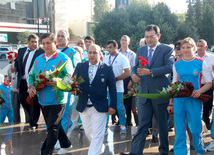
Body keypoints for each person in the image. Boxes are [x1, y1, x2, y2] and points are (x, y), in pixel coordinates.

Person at [121, 24, 174, 155]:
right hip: (144, 94)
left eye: (152, 37)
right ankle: (134, 152)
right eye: (146, 37)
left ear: (159, 36)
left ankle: (163, 152)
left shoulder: (166, 49)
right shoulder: (141, 50)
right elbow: (135, 67)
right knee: (142, 125)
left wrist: (150, 71)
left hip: (160, 94)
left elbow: (169, 67)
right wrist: (133, 74)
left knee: (162, 126)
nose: (149, 40)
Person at [28, 33, 73, 155]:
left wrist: (56, 81)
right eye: (43, 43)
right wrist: (31, 87)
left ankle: (45, 152)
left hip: (58, 100)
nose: (46, 46)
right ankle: (66, 144)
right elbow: (31, 75)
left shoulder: (64, 59)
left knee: (52, 128)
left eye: (48, 43)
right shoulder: (38, 59)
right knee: (54, 125)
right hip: (42, 100)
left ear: (55, 43)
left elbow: (70, 79)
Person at [167, 37, 212, 155]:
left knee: (196, 129)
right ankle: (180, 152)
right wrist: (171, 103)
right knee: (180, 129)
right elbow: (174, 84)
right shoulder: (176, 64)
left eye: (188, 47)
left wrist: (199, 91)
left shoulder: (201, 63)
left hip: (195, 100)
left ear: (194, 48)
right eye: (183, 48)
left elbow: (209, 83)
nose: (186, 50)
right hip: (179, 101)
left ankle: (200, 150)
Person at [72, 44, 117, 155]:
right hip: (83, 106)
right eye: (90, 52)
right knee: (88, 133)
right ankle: (99, 146)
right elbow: (72, 83)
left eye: (95, 52)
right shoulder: (80, 66)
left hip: (99, 106)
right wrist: (72, 90)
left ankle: (94, 152)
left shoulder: (107, 68)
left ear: (100, 54)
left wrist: (113, 105)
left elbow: (112, 89)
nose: (92, 55)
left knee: (97, 134)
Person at [55, 30, 81, 153]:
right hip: (52, 90)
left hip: (66, 89)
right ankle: (58, 136)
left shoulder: (73, 53)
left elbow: (76, 71)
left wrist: (63, 83)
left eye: (62, 36)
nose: (60, 38)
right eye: (58, 36)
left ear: (68, 39)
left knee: (64, 114)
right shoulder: (52, 52)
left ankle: (63, 142)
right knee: (55, 116)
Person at [14, 34, 44, 129]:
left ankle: (33, 123)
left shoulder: (41, 52)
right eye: (33, 42)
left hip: (34, 82)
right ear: (28, 42)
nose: (35, 44)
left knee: (34, 102)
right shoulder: (21, 51)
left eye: (36, 42)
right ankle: (32, 117)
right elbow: (17, 61)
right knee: (22, 99)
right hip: (22, 81)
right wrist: (15, 67)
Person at [104, 40, 130, 134]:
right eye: (107, 48)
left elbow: (128, 72)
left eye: (110, 47)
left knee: (119, 107)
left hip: (118, 88)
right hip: (106, 88)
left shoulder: (122, 58)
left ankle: (123, 125)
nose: (109, 49)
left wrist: (117, 78)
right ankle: (105, 126)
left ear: (116, 47)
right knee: (106, 106)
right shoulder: (105, 58)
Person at [195, 39, 214, 130]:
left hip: (208, 85)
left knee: (207, 106)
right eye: (198, 45)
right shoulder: (193, 57)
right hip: (196, 86)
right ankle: (199, 126)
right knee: (197, 106)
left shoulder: (211, 57)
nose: (199, 48)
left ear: (206, 47)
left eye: (201, 46)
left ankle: (207, 124)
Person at [118, 35, 136, 126]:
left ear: (128, 42)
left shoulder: (132, 54)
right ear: (120, 41)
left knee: (128, 100)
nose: (124, 41)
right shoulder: (116, 53)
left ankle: (128, 120)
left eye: (125, 40)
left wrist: (131, 81)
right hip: (118, 79)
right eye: (122, 40)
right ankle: (120, 119)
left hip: (128, 79)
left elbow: (133, 69)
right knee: (118, 100)